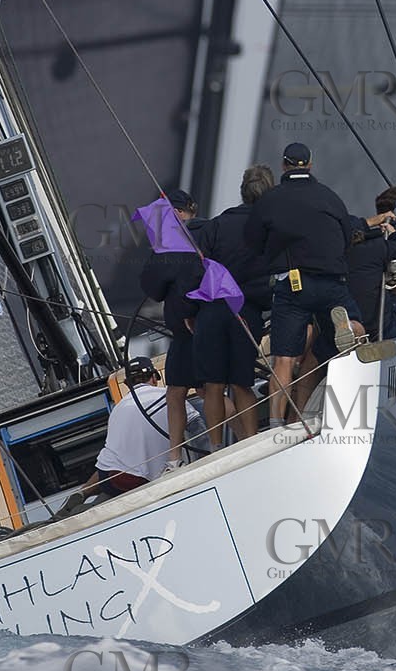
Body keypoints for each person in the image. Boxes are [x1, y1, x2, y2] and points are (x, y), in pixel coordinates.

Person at [245, 143, 391, 428]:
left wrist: (275, 251)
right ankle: (348, 329)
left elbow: (252, 241)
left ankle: (275, 423)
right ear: (310, 164)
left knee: (284, 360)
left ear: (284, 166)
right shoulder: (330, 197)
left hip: (292, 284)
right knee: (358, 325)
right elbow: (348, 234)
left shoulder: (270, 200)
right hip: (332, 281)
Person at [192, 165, 274, 444]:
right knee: (242, 382)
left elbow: (197, 267)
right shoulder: (268, 228)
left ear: (242, 192)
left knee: (213, 385)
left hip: (212, 311)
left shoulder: (216, 224)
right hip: (246, 310)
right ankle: (251, 441)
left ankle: (216, 447)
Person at [63, 358, 202, 513]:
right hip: (138, 479)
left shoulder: (118, 408)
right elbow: (199, 433)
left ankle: (84, 492)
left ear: (129, 384)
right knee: (131, 476)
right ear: (155, 377)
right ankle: (90, 508)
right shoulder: (170, 397)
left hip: (107, 475)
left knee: (114, 467)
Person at [140, 189, 208, 464]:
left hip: (187, 330)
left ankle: (174, 458)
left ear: (178, 214)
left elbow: (152, 286)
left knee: (182, 392)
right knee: (193, 390)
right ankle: (240, 436)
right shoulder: (210, 232)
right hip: (211, 322)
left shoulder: (171, 244)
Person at [348, 193, 396, 342]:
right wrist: (394, 237)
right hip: (382, 329)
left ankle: (351, 329)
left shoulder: (332, 254)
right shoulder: (379, 246)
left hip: (346, 316)